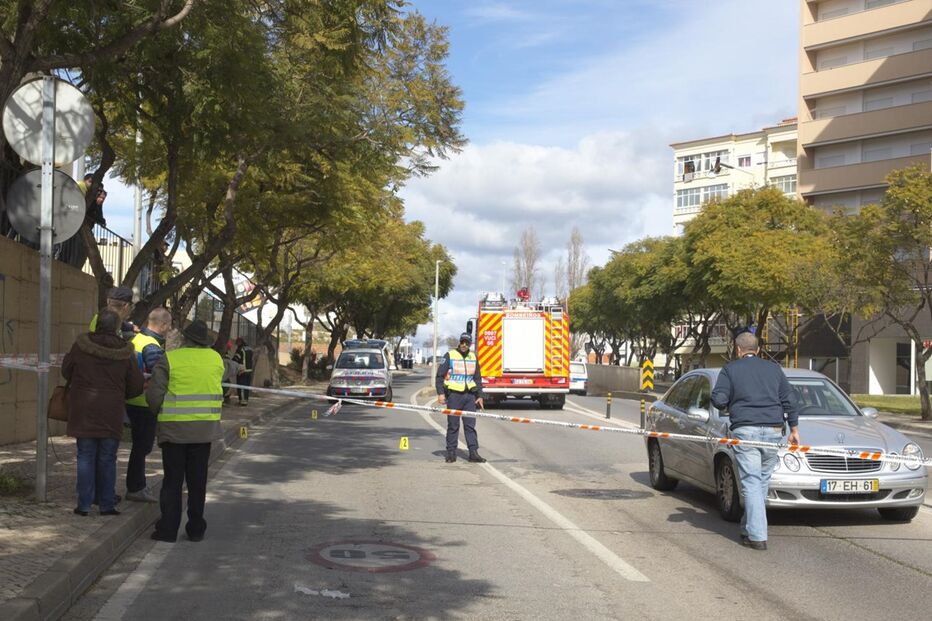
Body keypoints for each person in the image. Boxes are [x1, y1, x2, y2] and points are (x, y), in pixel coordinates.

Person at [711, 331, 801, 551]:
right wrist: (794, 429)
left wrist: (728, 405)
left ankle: (758, 536)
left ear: (738, 349)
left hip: (745, 431)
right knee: (760, 481)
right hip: (773, 430)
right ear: (758, 350)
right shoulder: (774, 369)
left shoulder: (730, 370)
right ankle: (748, 528)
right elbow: (789, 400)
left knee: (751, 482)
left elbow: (718, 399)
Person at [147, 320, 224, 543]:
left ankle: (168, 530)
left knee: (173, 481)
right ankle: (196, 528)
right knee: (197, 481)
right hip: (204, 430)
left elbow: (154, 395)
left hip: (174, 430)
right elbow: (227, 372)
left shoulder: (169, 359)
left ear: (185, 338)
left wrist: (155, 412)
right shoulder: (215, 359)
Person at [62, 309, 145, 516]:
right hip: (112, 410)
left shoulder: (81, 346)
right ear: (116, 327)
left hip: (84, 409)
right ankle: (107, 504)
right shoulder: (125, 351)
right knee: (108, 457)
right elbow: (135, 385)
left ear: (97, 323)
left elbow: (66, 371)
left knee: (85, 456)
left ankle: (84, 505)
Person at [124, 308, 171, 503]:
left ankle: (136, 485)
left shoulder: (136, 340)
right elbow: (159, 375)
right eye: (169, 325)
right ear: (163, 325)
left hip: (130, 400)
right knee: (142, 447)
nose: (169, 329)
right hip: (144, 403)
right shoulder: (152, 346)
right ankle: (136, 487)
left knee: (138, 446)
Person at [435, 333, 486, 463]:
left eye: (467, 343)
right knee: (453, 425)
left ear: (470, 344)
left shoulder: (473, 357)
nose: (464, 345)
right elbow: (440, 376)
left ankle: (473, 453)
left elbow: (477, 378)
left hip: (469, 396)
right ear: (459, 342)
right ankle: (451, 453)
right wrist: (441, 393)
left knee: (470, 426)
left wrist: (479, 396)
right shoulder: (450, 355)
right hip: (454, 396)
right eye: (462, 342)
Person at [232, 337, 254, 406]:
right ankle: (246, 400)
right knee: (247, 386)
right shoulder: (250, 349)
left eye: (237, 343)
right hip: (249, 370)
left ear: (240, 342)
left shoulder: (240, 349)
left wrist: (231, 362)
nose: (236, 345)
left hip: (242, 371)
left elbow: (236, 359)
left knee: (241, 386)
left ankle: (242, 401)